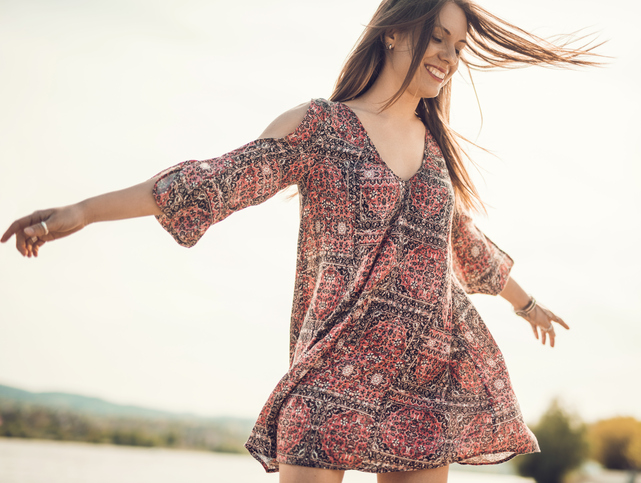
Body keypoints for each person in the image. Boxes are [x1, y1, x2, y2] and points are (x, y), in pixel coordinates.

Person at [3, 0, 600, 481]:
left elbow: (460, 243)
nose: (446, 56)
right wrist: (80, 211)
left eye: (456, 46)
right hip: (331, 373)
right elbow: (213, 182)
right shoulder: (321, 127)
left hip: (426, 378)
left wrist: (525, 303)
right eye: (436, 36)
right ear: (393, 32)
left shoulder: (436, 151)